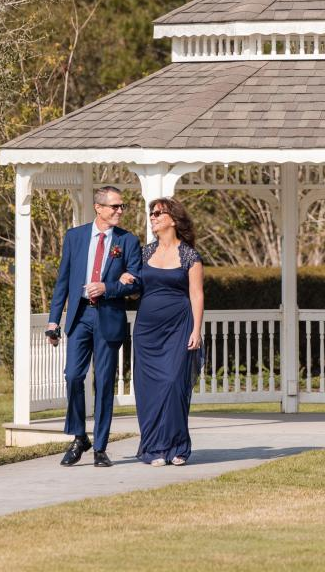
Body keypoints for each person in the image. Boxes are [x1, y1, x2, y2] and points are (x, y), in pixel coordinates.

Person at [47, 185, 142, 468]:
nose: (120, 211)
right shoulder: (75, 237)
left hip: (109, 318)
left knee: (103, 383)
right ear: (99, 208)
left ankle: (100, 446)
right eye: (115, 206)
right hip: (79, 317)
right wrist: (54, 320)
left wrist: (108, 287)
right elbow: (62, 281)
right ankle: (79, 437)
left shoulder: (128, 241)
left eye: (121, 206)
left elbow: (136, 282)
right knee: (73, 377)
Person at [121, 197, 204, 466]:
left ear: (173, 219)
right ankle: (155, 448)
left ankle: (178, 446)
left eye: (158, 213)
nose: (153, 217)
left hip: (179, 327)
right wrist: (126, 281)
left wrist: (196, 329)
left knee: (172, 384)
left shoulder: (190, 255)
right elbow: (135, 290)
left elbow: (196, 294)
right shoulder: (145, 253)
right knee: (149, 389)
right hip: (147, 330)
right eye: (151, 213)